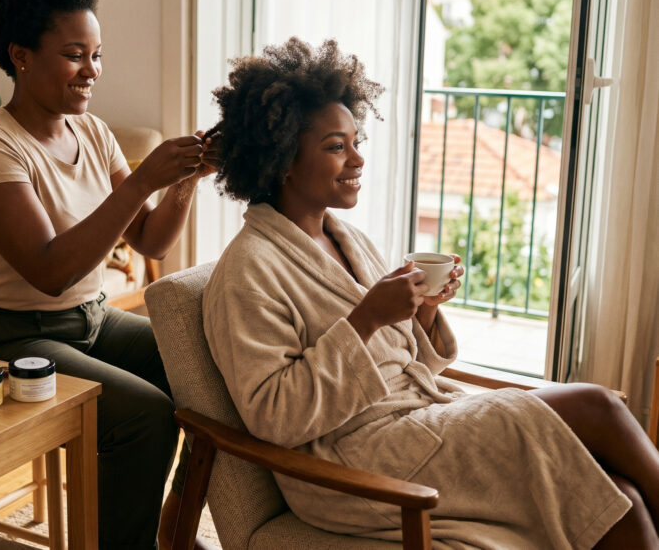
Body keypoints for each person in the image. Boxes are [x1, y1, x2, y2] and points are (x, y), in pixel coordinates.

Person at [201, 37, 659, 548]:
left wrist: (420, 315)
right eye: (336, 146)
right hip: (355, 463)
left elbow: (398, 363)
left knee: (622, 498)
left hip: (414, 425)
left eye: (357, 142)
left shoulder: (345, 238)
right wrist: (367, 319)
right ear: (283, 158)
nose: (357, 159)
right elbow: (273, 414)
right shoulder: (247, 272)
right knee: (598, 408)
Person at [0, 0, 214, 549]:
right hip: (6, 337)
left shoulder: (91, 131)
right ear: (21, 55)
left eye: (97, 54)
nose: (91, 71)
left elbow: (151, 241)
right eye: (75, 54)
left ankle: (171, 526)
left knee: (205, 366)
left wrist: (185, 180)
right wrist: (142, 180)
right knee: (145, 414)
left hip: (89, 321)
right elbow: (50, 270)